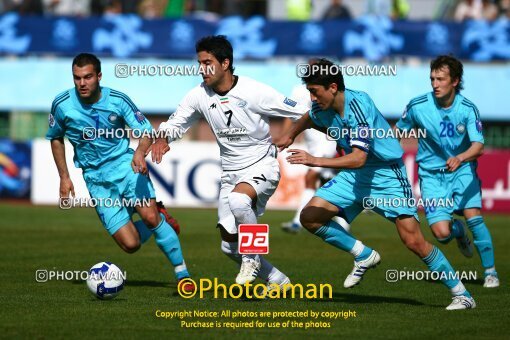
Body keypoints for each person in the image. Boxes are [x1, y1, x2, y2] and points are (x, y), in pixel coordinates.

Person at [277, 58, 476, 310]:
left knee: (414, 241)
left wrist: (314, 160)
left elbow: (359, 158)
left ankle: (463, 295)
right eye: (309, 92)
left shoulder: (359, 106)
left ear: (333, 87)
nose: (312, 97)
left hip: (386, 175)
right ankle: (363, 254)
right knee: (310, 217)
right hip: (354, 176)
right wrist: (290, 134)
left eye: (314, 91)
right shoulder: (322, 108)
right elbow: (309, 117)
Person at [150, 35, 307, 290]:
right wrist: (162, 137)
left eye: (208, 62)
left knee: (239, 200)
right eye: (200, 63)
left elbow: (301, 111)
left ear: (225, 63)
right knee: (228, 245)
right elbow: (176, 123)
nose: (202, 69)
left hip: (262, 165)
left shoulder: (255, 91)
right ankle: (278, 280)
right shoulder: (198, 95)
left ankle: (252, 258)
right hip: (230, 174)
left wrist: (305, 132)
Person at [46, 53, 194, 292]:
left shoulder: (118, 100)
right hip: (96, 180)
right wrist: (64, 177)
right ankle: (163, 218)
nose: (82, 83)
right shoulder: (62, 104)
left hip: (127, 167)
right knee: (131, 244)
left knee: (149, 217)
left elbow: (145, 131)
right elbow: (55, 138)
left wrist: (139, 153)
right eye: (77, 78)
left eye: (87, 77)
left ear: (99, 76)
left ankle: (182, 274)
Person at [396, 55, 499, 288]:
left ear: (455, 81)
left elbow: (479, 146)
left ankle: (490, 272)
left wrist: (461, 157)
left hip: (462, 169)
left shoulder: (467, 109)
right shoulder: (417, 106)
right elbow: (398, 134)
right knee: (442, 234)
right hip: (431, 176)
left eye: (440, 79)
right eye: (432, 78)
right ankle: (457, 231)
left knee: (474, 216)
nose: (435, 83)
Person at [280, 84, 351, 233]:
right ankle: (343, 220)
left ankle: (297, 222)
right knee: (328, 180)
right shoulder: (299, 91)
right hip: (313, 143)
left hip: (324, 143)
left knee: (311, 178)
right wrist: (289, 135)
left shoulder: (327, 93)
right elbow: (294, 115)